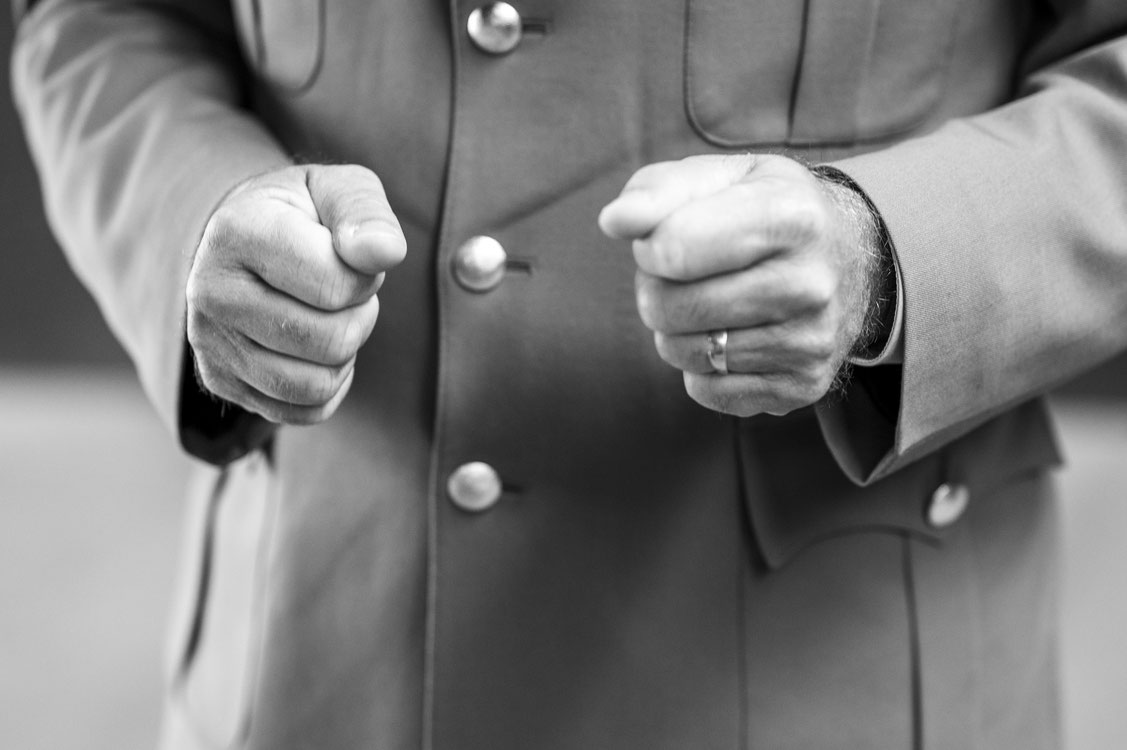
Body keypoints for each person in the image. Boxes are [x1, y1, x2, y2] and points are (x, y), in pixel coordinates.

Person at [10, 0, 1127, 747]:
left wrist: (888, 255)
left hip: (838, 684)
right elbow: (100, 19)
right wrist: (193, 212)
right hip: (312, 664)